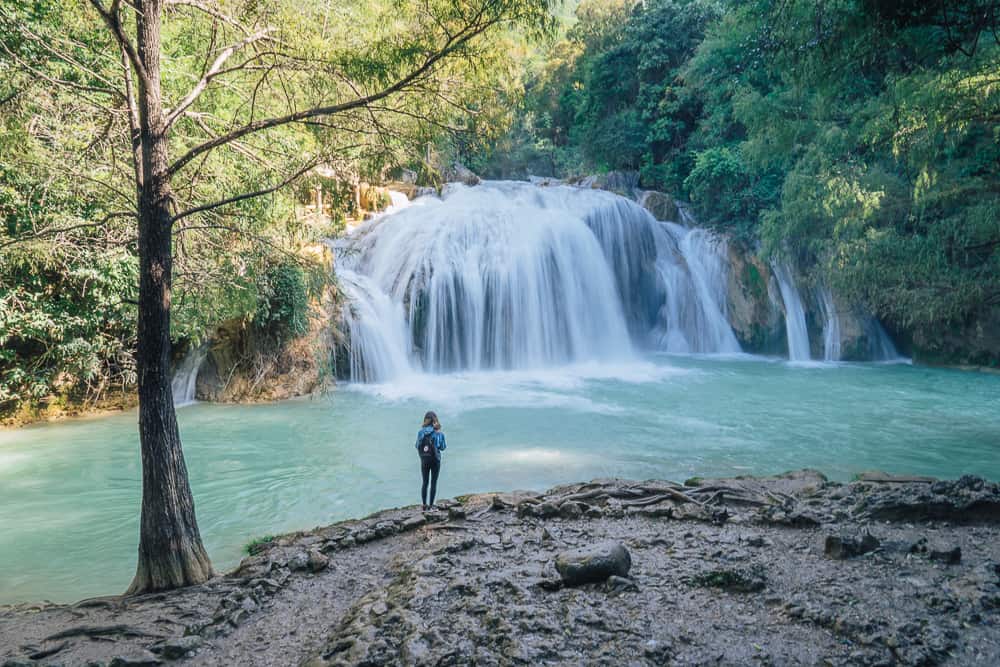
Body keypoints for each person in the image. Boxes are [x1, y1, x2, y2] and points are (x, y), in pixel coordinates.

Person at [415, 410, 446, 510]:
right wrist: (438, 433)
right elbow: (443, 447)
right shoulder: (439, 433)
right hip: (435, 460)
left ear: (425, 420)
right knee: (433, 482)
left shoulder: (421, 432)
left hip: (424, 460)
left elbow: (417, 446)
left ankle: (424, 505)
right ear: (435, 421)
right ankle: (431, 506)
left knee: (425, 482)